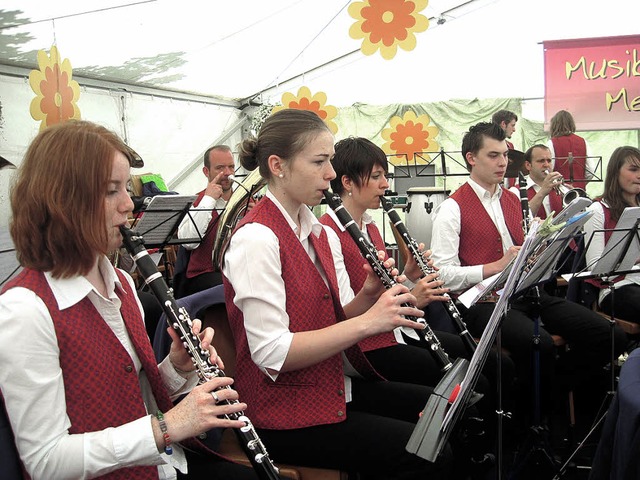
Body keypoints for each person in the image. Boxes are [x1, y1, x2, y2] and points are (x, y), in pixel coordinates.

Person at [0, 120, 268, 480]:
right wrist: (166, 427)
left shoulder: (123, 282)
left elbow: (133, 396)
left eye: (126, 187)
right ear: (63, 201)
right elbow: (45, 462)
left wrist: (176, 369)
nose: (129, 204)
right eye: (112, 191)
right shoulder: (23, 310)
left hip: (161, 464)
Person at [222, 109, 453, 479]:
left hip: (328, 387)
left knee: (443, 413)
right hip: (283, 414)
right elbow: (271, 354)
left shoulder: (318, 232)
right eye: (319, 162)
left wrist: (366, 297)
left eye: (330, 160)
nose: (331, 173)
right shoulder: (255, 239)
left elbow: (328, 317)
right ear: (277, 165)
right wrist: (368, 323)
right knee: (424, 451)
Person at [429, 122, 627, 421]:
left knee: (610, 335)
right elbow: (442, 275)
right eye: (493, 155)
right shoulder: (452, 208)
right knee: (540, 344)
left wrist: (538, 254)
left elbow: (522, 251)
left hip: (523, 294)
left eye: (505, 155)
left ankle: (551, 394)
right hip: (483, 303)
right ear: (471, 158)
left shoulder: (513, 199)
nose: (503, 162)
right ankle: (534, 425)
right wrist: (492, 268)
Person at [583, 146, 640, 322]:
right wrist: (632, 259)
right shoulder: (598, 210)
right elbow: (595, 270)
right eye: (633, 169)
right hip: (617, 287)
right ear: (616, 172)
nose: (639, 175)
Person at [174, 145, 235, 298]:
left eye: (231, 167)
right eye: (220, 168)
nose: (227, 173)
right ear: (206, 171)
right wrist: (209, 200)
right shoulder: (197, 201)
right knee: (233, 288)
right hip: (204, 275)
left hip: (237, 270)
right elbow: (188, 242)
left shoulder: (245, 200)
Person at [547, 110, 597, 190]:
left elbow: (548, 169)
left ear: (554, 125)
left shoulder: (551, 143)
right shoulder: (583, 142)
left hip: (558, 191)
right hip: (579, 191)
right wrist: (580, 183)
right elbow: (591, 169)